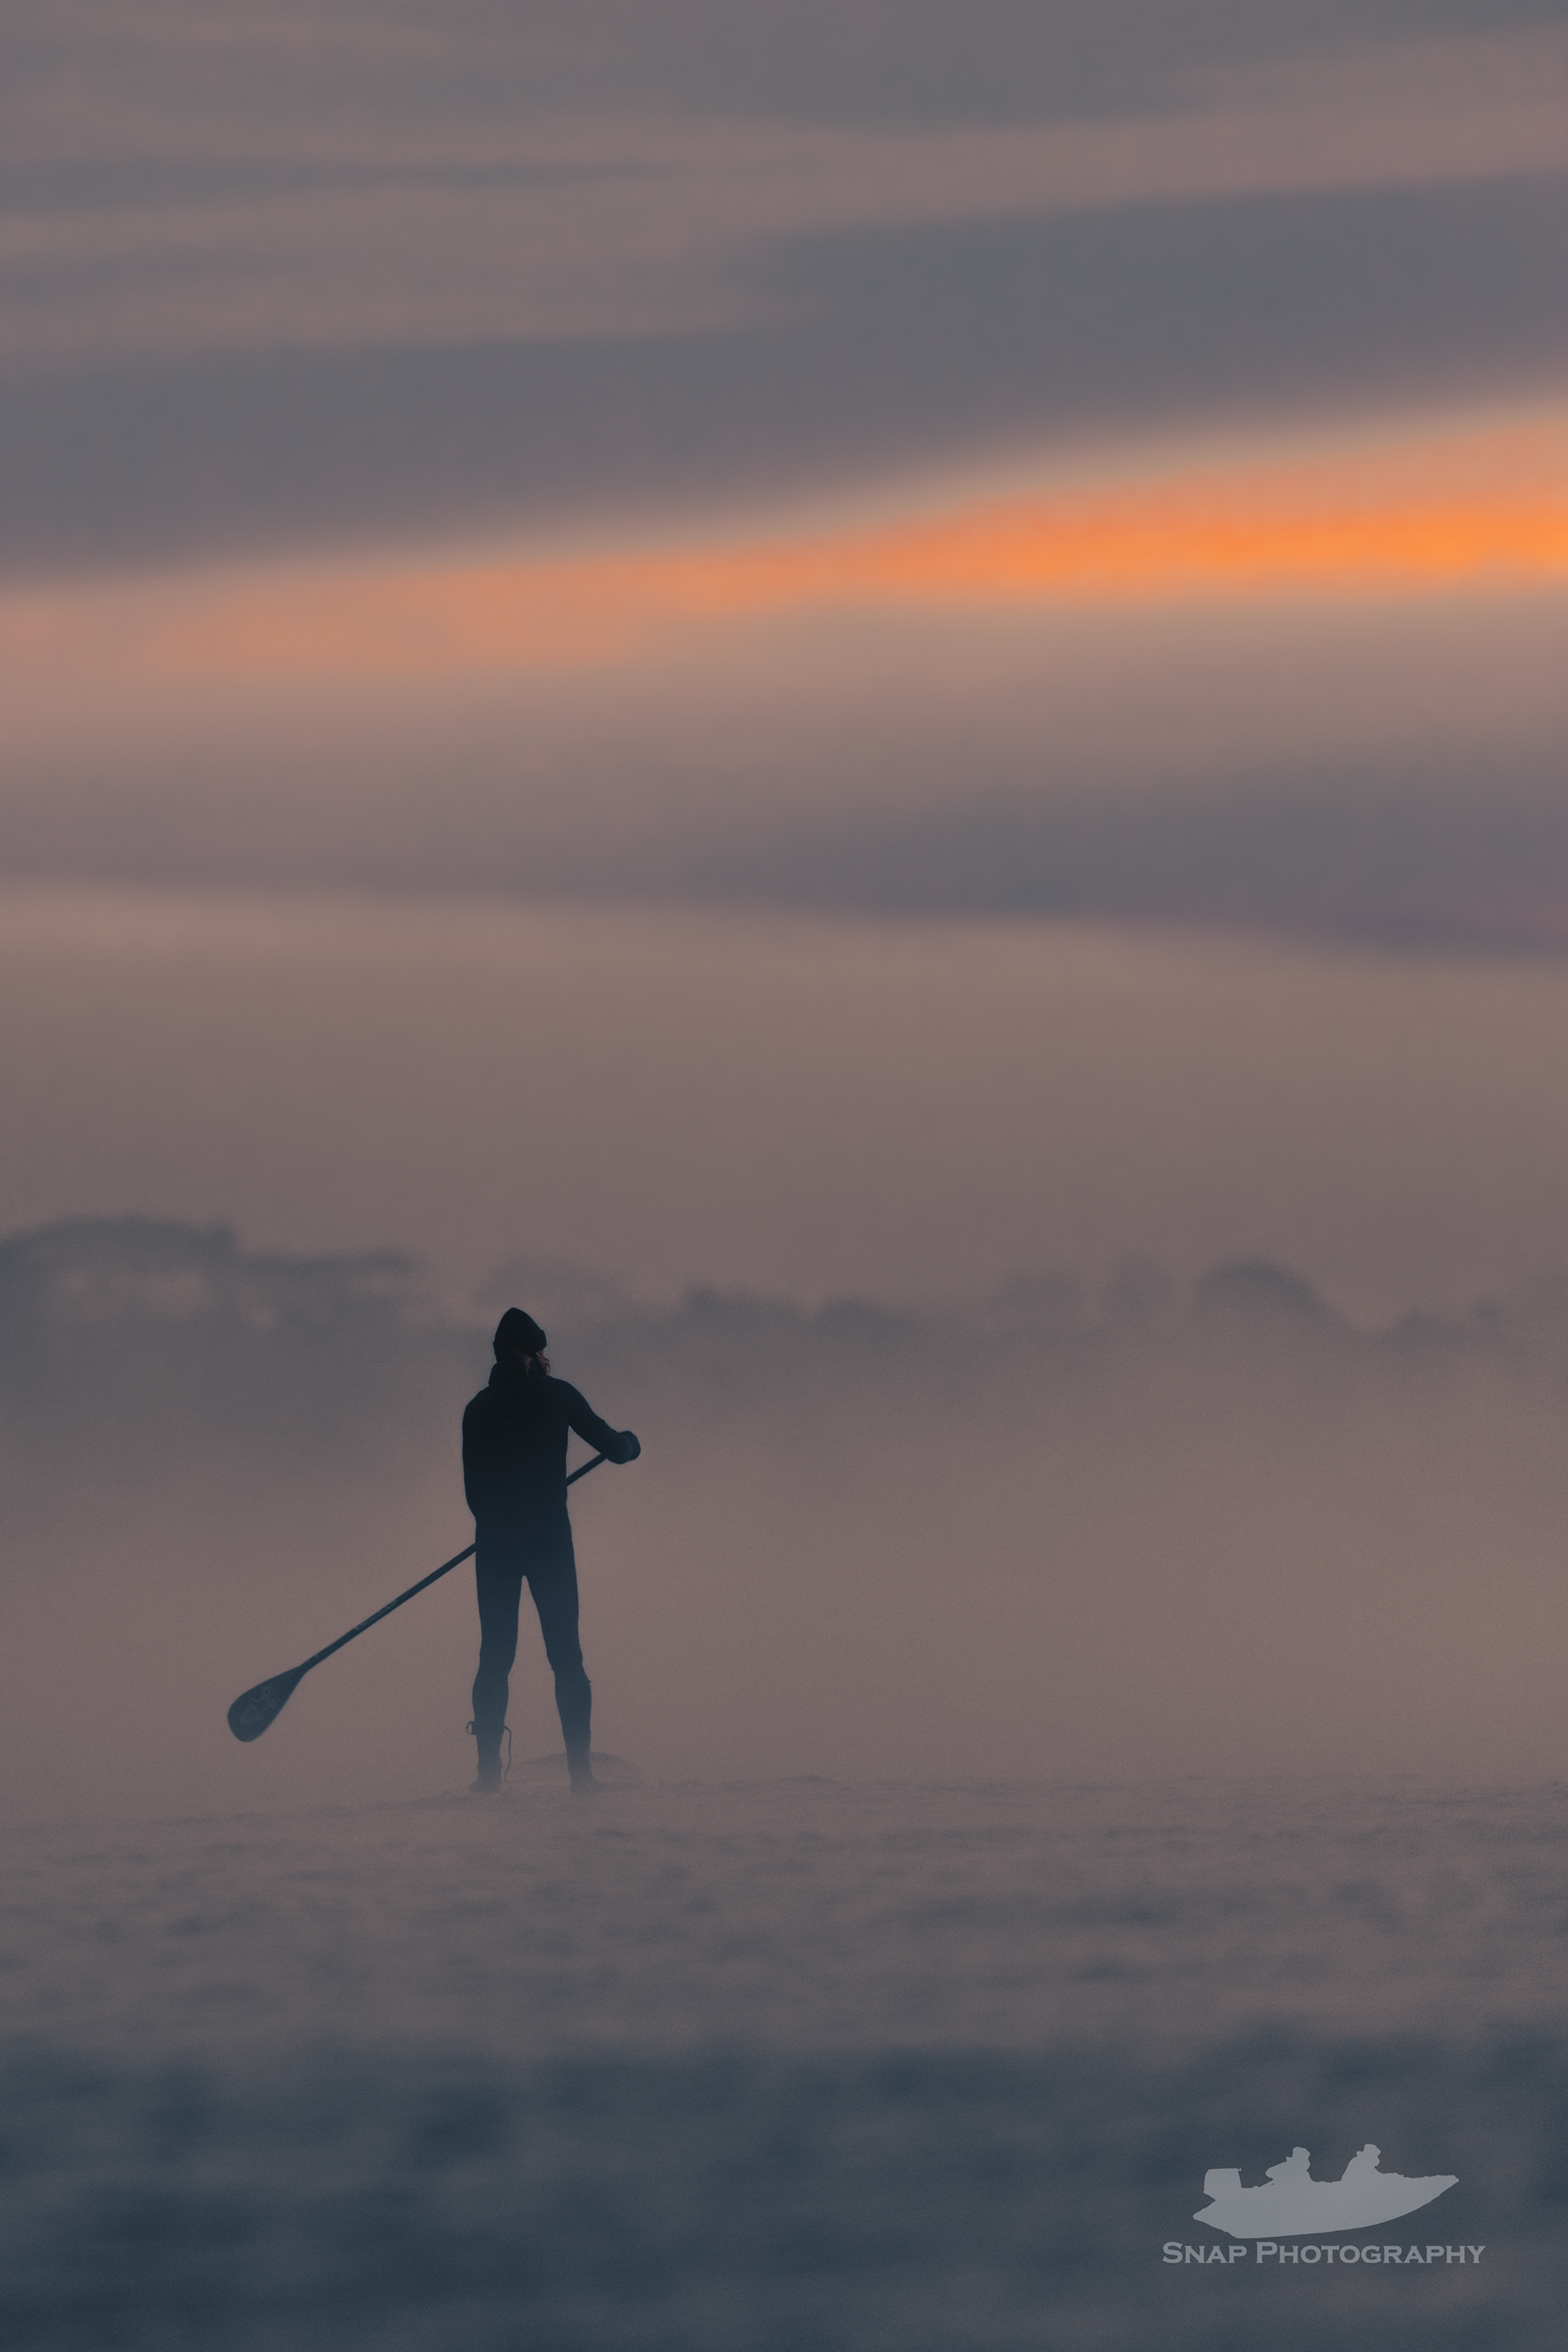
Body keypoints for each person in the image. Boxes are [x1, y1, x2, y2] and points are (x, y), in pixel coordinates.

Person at [461, 1307, 640, 1793]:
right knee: (566, 1658)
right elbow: (615, 1448)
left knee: (495, 1657)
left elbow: (473, 1495)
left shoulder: (476, 1409)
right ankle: (581, 1778)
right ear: (529, 1356)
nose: (547, 1359)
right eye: (542, 1352)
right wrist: (632, 1443)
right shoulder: (557, 1395)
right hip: (549, 1546)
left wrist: (502, 1524)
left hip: (495, 1547)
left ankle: (485, 1779)